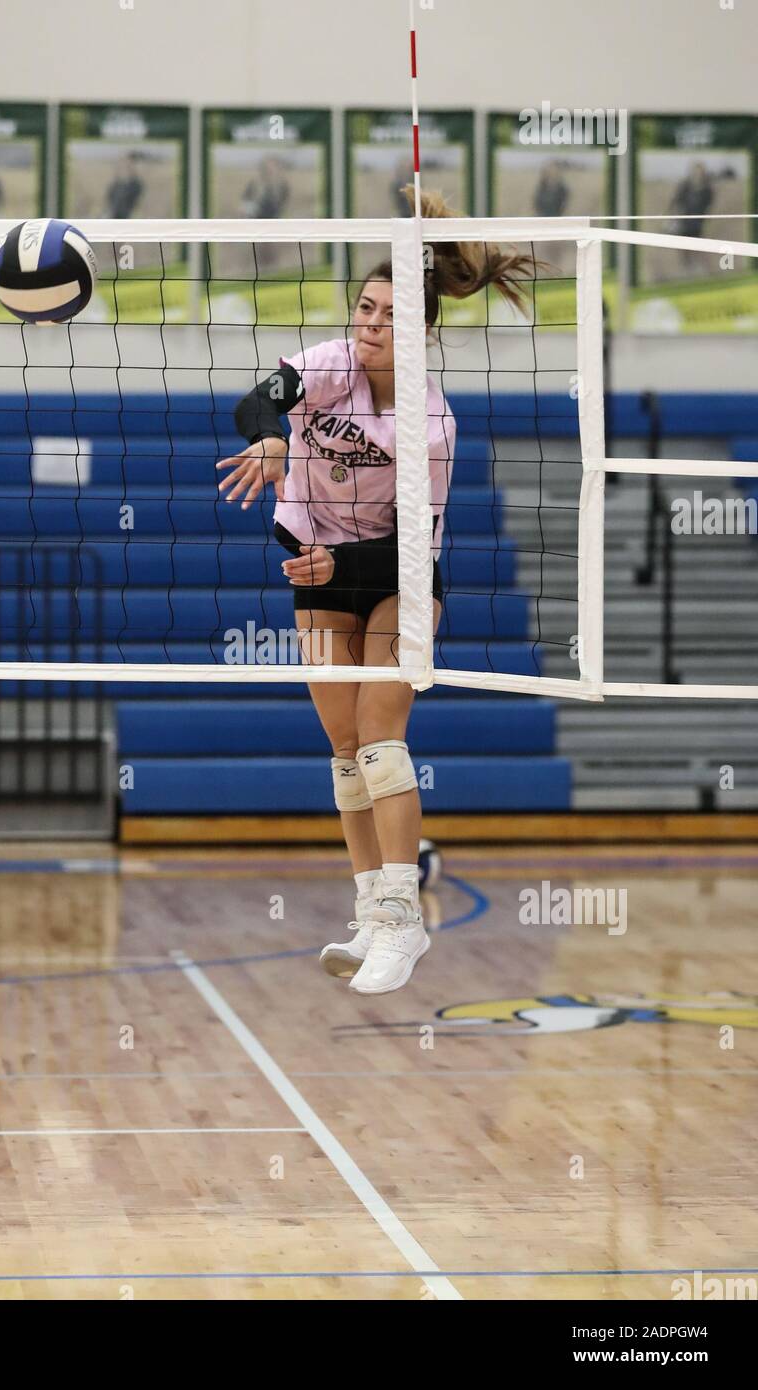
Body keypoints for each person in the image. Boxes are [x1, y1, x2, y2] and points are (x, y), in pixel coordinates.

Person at [217, 188, 533, 995]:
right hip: (322, 568)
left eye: (388, 314)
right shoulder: (328, 365)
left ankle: (405, 924)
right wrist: (265, 436)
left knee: (380, 738)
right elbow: (262, 398)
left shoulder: (431, 423)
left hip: (399, 581)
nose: (368, 325)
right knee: (344, 751)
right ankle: (369, 914)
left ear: (421, 330)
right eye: (363, 307)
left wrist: (332, 568)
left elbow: (404, 552)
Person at [106, 152, 145, 219]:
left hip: (127, 217)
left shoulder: (136, 185)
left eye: (131, 164)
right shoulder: (117, 185)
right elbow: (110, 199)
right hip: (116, 216)